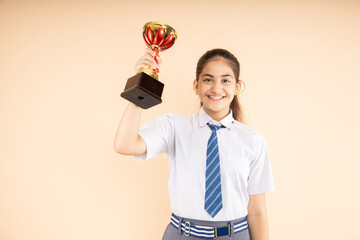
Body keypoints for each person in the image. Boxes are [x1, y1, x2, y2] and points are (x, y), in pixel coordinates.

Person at [114, 48, 275, 240]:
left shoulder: (253, 140)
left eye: (225, 80)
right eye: (208, 79)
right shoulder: (175, 126)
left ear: (237, 87)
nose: (216, 88)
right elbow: (125, 145)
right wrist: (141, 85)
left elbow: (257, 211)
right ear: (196, 85)